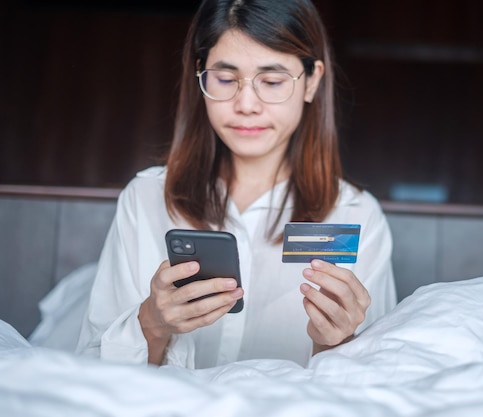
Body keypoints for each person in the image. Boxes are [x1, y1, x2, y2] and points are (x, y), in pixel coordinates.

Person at [76, 0, 397, 368]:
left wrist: (336, 344)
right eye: (226, 79)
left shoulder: (357, 215)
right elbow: (92, 372)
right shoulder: (146, 198)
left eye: (273, 82)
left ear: (312, 81)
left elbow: (372, 384)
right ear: (201, 75)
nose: (246, 104)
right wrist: (152, 322)